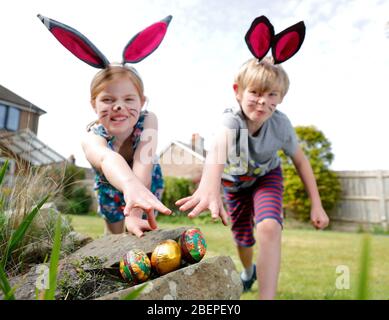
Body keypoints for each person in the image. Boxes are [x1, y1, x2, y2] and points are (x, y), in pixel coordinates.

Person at [176, 16, 329, 300]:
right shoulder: (231, 119)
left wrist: (316, 205)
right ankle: (248, 272)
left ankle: (266, 296)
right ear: (238, 92)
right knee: (243, 238)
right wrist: (210, 185)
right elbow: (219, 144)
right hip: (233, 183)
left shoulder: (281, 125)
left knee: (269, 226)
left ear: (281, 97)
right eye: (255, 92)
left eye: (272, 94)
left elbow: (301, 162)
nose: (263, 101)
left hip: (266, 178)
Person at [38, 14, 173, 237]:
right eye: (108, 100)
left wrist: (134, 210)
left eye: (129, 99)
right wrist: (127, 184)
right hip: (110, 191)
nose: (119, 106)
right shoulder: (92, 136)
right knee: (113, 238)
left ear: (142, 102)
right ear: (94, 104)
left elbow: (143, 162)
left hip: (145, 184)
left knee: (137, 234)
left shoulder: (148, 120)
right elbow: (106, 157)